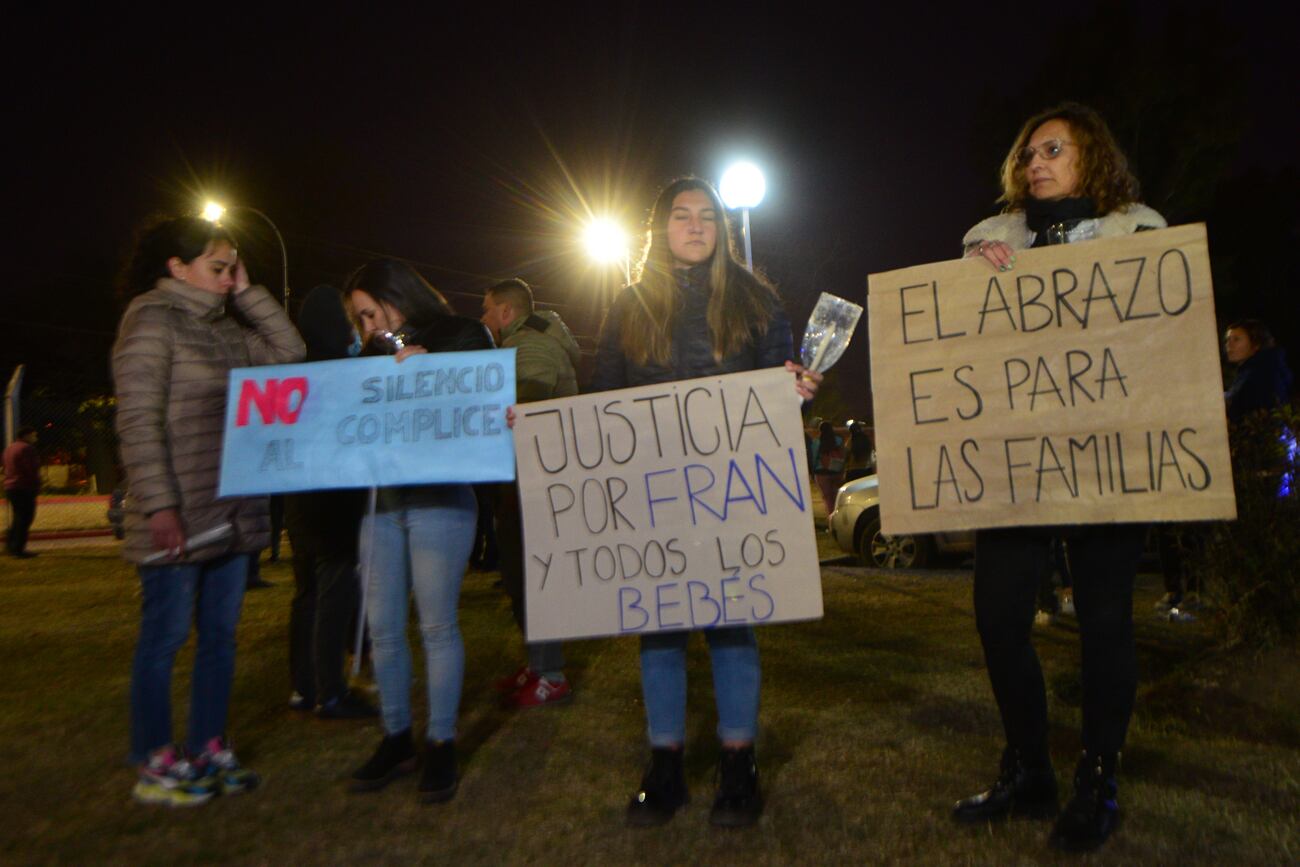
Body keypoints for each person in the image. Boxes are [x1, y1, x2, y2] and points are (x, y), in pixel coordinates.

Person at [952, 103, 1166, 852]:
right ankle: (1029, 765)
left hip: (1111, 458)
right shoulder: (988, 244)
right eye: (1028, 152)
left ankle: (1097, 778)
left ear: (1091, 158)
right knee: (997, 618)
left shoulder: (1142, 236)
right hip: (1019, 463)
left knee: (1105, 622)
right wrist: (971, 284)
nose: (1036, 162)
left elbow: (1160, 346)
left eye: (1054, 149)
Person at [589, 176, 820, 829]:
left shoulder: (757, 302)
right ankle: (664, 763)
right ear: (660, 229)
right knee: (658, 625)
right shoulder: (629, 307)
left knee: (731, 622)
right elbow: (602, 403)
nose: (694, 227)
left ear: (721, 230)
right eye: (682, 216)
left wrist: (798, 387)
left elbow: (781, 382)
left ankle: (738, 762)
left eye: (707, 217)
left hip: (732, 494)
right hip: (654, 497)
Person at [113, 216, 305, 806]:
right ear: (177, 267)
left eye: (231, 269)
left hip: (231, 512)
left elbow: (289, 352)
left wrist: (248, 291)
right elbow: (138, 420)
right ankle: (154, 759)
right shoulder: (151, 320)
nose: (226, 280)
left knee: (220, 638)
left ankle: (208, 745)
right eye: (217, 268)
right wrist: (160, 505)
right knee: (165, 638)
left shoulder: (226, 331)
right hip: (175, 513)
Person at [342, 259, 493, 803]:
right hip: (382, 503)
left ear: (394, 296)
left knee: (436, 625)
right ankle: (397, 735)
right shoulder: (368, 355)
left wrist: (435, 372)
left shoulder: (462, 334)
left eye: (368, 313)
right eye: (356, 320)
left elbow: (485, 400)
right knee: (382, 626)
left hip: (440, 499)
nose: (365, 327)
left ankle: (442, 741)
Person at [480, 277, 581, 708]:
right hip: (526, 480)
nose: (483, 320)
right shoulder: (523, 345)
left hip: (536, 481)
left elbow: (533, 411)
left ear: (506, 311)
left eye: (487, 310)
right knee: (522, 575)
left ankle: (551, 672)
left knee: (535, 577)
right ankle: (538, 664)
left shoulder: (530, 346)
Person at [285, 285, 376, 719]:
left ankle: (303, 686)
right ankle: (331, 691)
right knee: (334, 595)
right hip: (335, 503)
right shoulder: (346, 374)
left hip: (300, 503)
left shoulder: (293, 375)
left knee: (307, 595)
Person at [1223, 319, 1292, 424]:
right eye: (1228, 340)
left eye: (1236, 339)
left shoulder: (1259, 374)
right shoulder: (1255, 369)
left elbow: (1236, 405)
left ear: (1256, 344)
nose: (1229, 345)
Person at [4, 426, 40, 558]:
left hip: (11, 487)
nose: (35, 438)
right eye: (33, 435)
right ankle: (18, 548)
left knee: (17, 517)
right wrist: (36, 484)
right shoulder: (27, 449)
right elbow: (30, 469)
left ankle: (11, 545)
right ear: (26, 435)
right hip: (24, 487)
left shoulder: (10, 448)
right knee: (25, 518)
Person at [812, 420, 846, 515]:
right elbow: (844, 454)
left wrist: (813, 470)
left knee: (827, 498)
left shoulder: (817, 442)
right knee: (836, 496)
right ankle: (838, 516)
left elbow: (814, 457)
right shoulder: (838, 440)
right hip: (836, 471)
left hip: (821, 473)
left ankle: (831, 518)